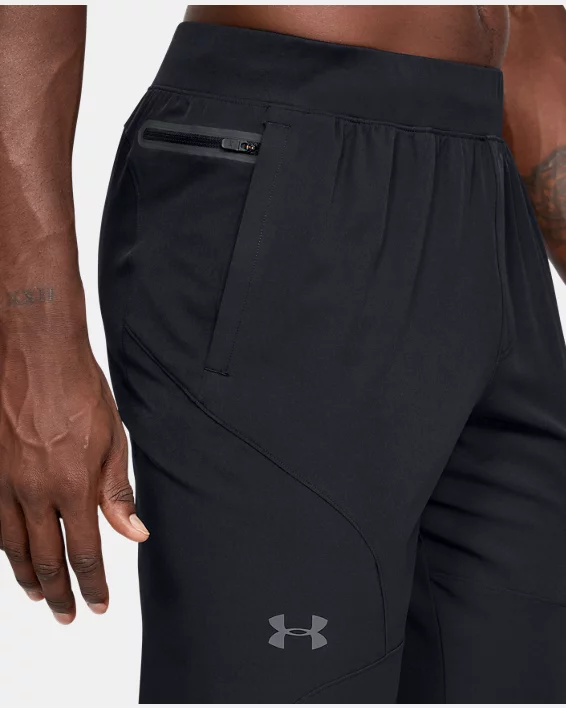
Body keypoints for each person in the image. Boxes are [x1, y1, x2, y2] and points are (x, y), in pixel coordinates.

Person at [1, 4, 565, 703]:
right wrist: (34, 340)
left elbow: (529, 26)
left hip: (487, 191)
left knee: (515, 670)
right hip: (290, 165)